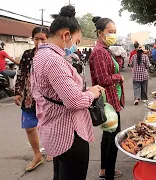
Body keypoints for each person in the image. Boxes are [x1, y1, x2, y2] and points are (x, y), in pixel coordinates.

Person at [30, 5, 104, 180]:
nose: (75, 46)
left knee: (60, 174)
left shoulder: (40, 55)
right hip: (69, 134)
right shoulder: (54, 60)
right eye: (76, 41)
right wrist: (92, 93)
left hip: (53, 129)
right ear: (65, 35)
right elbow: (74, 102)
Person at [90, 16, 124, 180]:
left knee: (108, 135)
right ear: (100, 33)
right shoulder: (98, 52)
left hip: (112, 99)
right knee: (113, 139)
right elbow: (103, 80)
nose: (113, 35)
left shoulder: (105, 50)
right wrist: (119, 77)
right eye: (110, 32)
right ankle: (109, 174)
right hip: (108, 101)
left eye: (115, 32)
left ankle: (104, 170)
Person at [14, 26, 52, 171]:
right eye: (36, 39)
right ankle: (37, 155)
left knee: (49, 126)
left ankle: (52, 150)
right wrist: (18, 92)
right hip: (30, 98)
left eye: (43, 39)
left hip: (47, 99)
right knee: (30, 127)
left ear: (48, 39)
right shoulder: (27, 54)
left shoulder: (52, 55)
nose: (39, 42)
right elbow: (22, 73)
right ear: (32, 39)